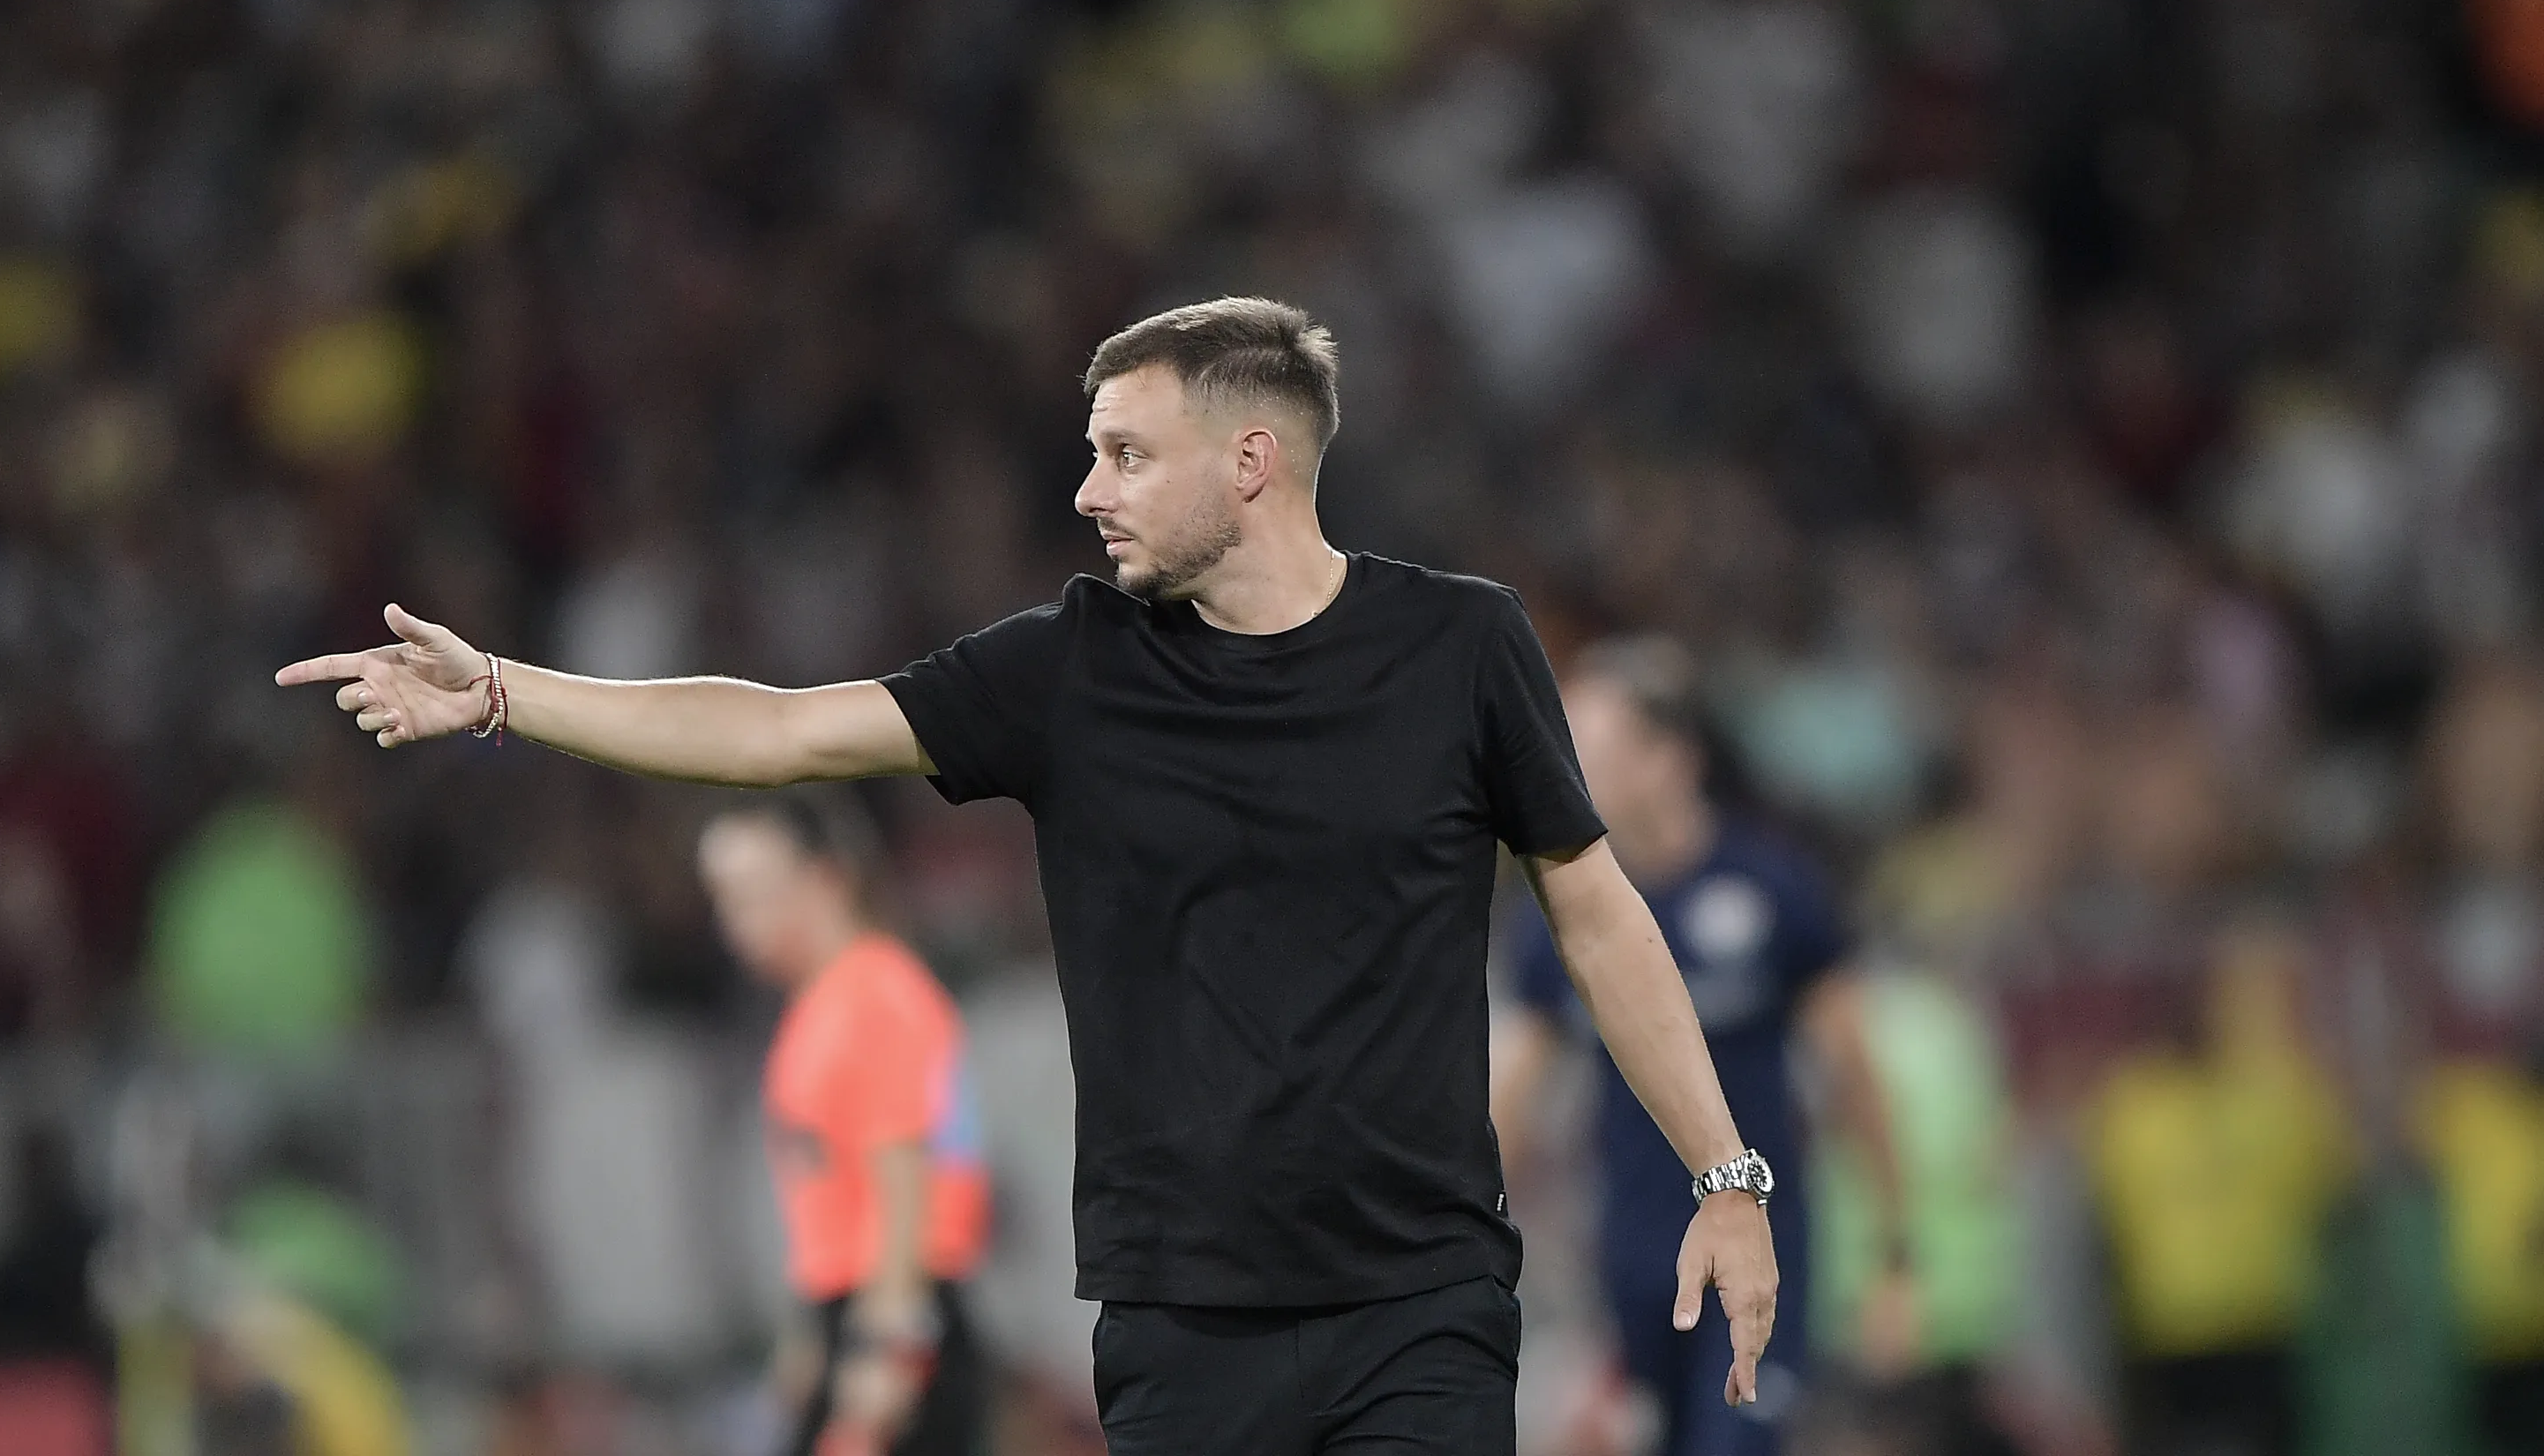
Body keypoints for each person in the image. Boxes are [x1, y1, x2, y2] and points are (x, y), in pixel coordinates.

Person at [278, 296, 1779, 1455]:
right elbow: (783, 734)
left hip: (1425, 1305)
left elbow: (1595, 911)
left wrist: (1726, 1174)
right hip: (1183, 1322)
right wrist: (502, 695)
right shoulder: (1070, 669)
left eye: (1126, 452)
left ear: (1251, 462)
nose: (1088, 490)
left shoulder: (1463, 649)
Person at [1493, 637, 1911, 1456]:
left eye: (1596, 751)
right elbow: (1508, 1100)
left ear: (1672, 759)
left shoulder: (1773, 888)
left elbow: (1853, 1073)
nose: (1567, 771)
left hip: (1761, 1251)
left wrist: (1897, 1254)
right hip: (1631, 1265)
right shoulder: (1561, 924)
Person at [695, 792, 991, 1456]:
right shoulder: (821, 1005)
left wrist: (888, 1350)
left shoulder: (877, 994)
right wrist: (810, 1338)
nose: (732, 921)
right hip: (852, 1314)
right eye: (722, 898)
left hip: (895, 1317)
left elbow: (905, 1179)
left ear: (826, 878)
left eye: (749, 893)